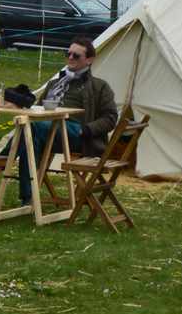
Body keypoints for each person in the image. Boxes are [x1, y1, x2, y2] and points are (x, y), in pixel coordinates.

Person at [16, 37, 118, 204]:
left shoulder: (99, 86)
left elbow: (110, 118)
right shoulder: (54, 83)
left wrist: (86, 130)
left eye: (76, 55)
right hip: (47, 132)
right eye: (68, 54)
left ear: (89, 60)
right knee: (30, 137)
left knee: (31, 128)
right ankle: (28, 197)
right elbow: (37, 108)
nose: (70, 58)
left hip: (78, 136)